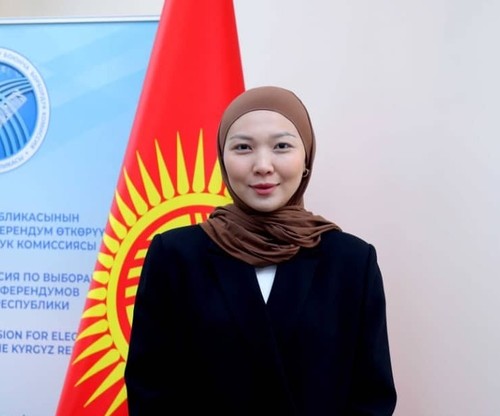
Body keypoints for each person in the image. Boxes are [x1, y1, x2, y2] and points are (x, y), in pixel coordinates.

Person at [124, 86, 397, 415]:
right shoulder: (175, 255)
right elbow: (150, 388)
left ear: (306, 158)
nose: (263, 165)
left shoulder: (351, 261)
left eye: (282, 146)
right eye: (243, 147)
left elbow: (372, 395)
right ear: (223, 159)